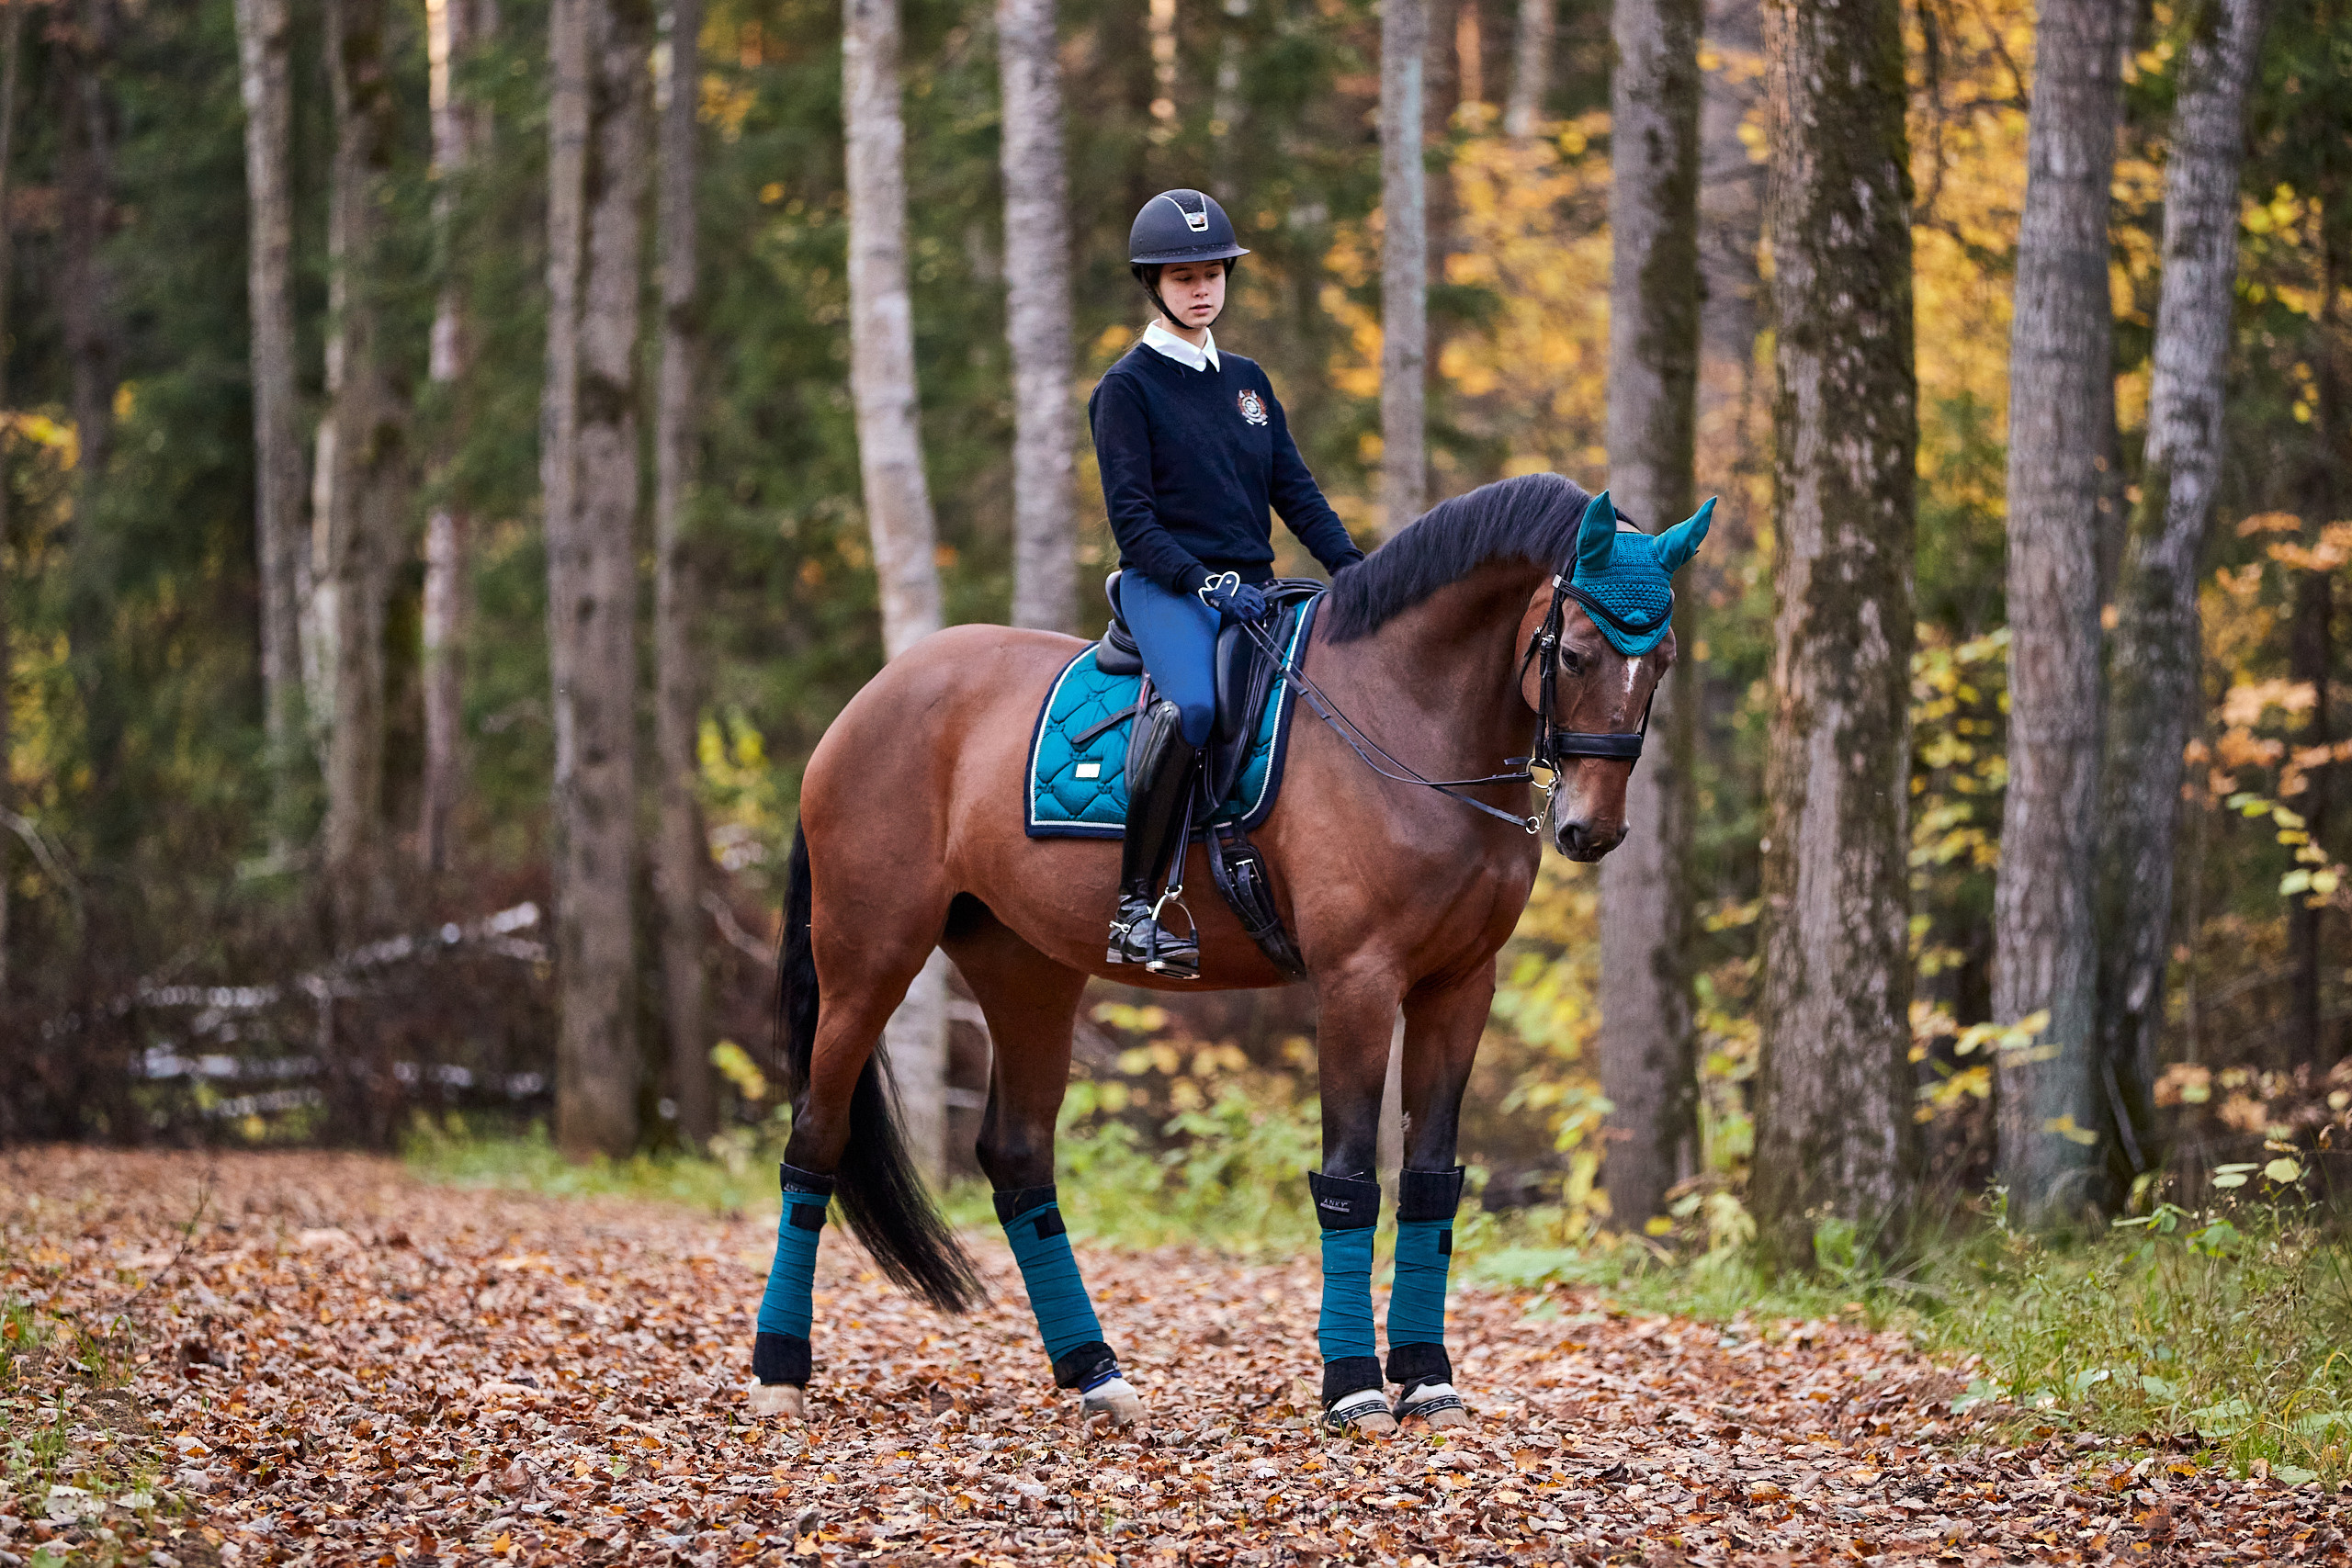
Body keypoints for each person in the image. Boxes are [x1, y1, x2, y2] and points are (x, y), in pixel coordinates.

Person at [1089, 188, 1366, 978]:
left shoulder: (1246, 381)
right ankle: (1134, 907)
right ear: (1154, 284)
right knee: (1198, 707)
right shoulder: (1127, 389)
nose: (1202, 289)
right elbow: (1133, 523)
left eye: (1212, 273)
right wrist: (1204, 583)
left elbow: (1296, 491)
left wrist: (1355, 570)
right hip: (1164, 586)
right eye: (1183, 277)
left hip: (1254, 588)